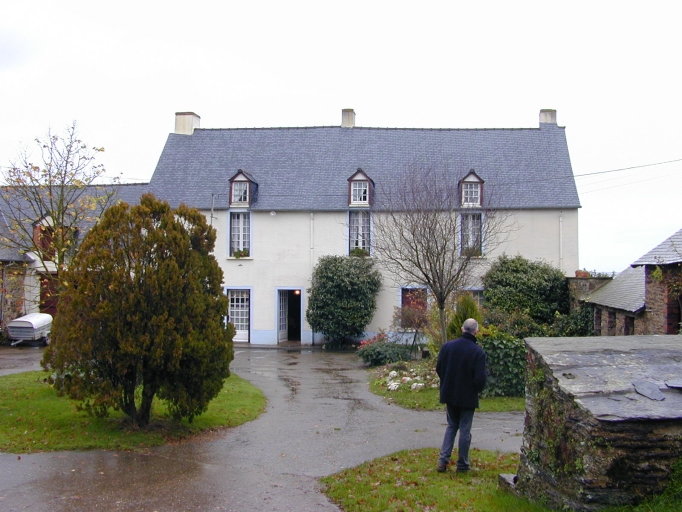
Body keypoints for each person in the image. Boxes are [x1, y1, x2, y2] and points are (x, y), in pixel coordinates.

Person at [435, 318, 487, 473]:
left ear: (462, 329)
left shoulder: (447, 347)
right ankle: (462, 464)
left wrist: (447, 382)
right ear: (476, 332)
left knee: (451, 426)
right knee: (465, 429)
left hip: (450, 393)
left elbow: (439, 368)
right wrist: (476, 389)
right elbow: (480, 379)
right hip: (468, 396)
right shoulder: (478, 352)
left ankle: (442, 461)